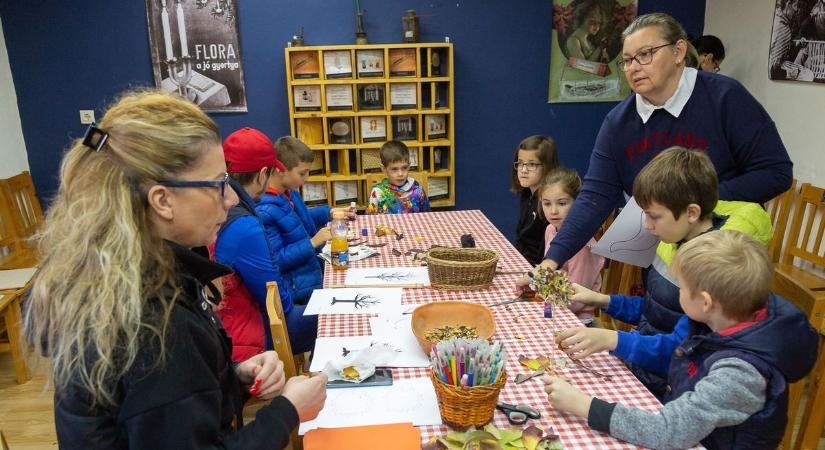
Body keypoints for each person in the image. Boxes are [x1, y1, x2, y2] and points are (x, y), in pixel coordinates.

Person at [24, 91, 327, 449]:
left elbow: (169, 407)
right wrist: (288, 410)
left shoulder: (124, 280)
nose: (231, 199)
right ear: (163, 200)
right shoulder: (156, 324)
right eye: (217, 185)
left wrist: (232, 380)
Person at [536, 12, 792, 277]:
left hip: (727, 260)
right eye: (626, 61)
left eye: (645, 54)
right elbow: (595, 196)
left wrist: (689, 201)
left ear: (678, 51)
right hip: (663, 257)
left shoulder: (726, 97)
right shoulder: (618, 123)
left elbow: (776, 173)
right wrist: (552, 259)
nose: (634, 67)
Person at [544, 230, 818, 450]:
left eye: (682, 288)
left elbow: (669, 431)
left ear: (707, 302)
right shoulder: (723, 316)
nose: (678, 293)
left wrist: (583, 405)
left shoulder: (739, 373)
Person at [555, 147, 772, 397]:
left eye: (653, 216)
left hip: (670, 388)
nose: (647, 226)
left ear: (691, 212)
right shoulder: (675, 239)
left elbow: (679, 349)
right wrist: (600, 299)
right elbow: (657, 310)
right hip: (643, 368)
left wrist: (612, 339)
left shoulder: (713, 267)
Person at [214, 127, 317, 361]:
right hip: (253, 338)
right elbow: (281, 309)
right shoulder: (246, 228)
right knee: (343, 319)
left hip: (232, 326)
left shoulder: (227, 212)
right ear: (263, 174)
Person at [256, 136, 331, 304]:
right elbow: (277, 261)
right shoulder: (265, 211)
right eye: (302, 173)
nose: (307, 178)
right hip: (299, 291)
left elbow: (298, 221)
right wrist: (312, 243)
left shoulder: (289, 192)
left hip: (314, 274)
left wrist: (330, 212)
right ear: (279, 169)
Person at [538, 168, 604, 325]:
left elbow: (577, 299)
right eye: (547, 204)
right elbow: (551, 274)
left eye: (562, 203)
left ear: (578, 203)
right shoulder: (550, 229)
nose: (553, 211)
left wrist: (544, 303)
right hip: (553, 307)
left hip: (578, 320)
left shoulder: (582, 247)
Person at [511, 135, 561, 266]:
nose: (523, 170)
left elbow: (544, 249)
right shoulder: (527, 192)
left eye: (532, 164)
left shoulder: (549, 203)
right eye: (520, 163)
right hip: (521, 258)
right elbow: (522, 235)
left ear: (547, 166)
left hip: (536, 265)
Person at [367, 140, 429, 214]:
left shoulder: (417, 190)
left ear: (409, 165)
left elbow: (427, 215)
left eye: (404, 168)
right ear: (384, 169)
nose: (400, 174)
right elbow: (369, 218)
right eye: (394, 169)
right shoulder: (377, 192)